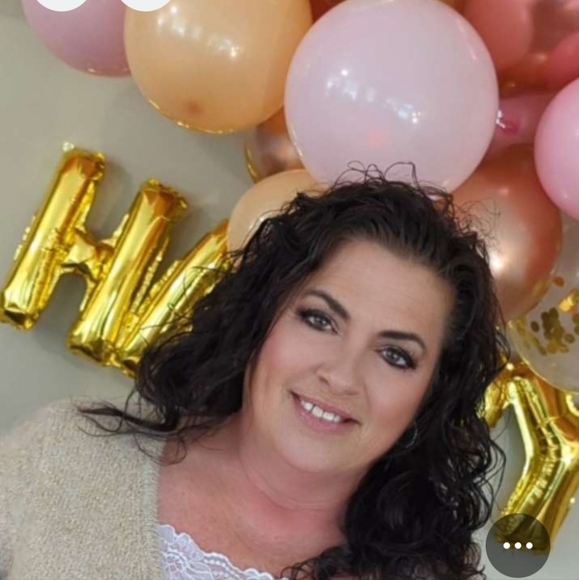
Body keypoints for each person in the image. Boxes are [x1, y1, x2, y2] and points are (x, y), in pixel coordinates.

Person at [0, 173, 509, 580]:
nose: (341, 375)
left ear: (431, 396)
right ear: (260, 318)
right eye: (319, 320)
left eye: (395, 355)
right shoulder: (66, 455)